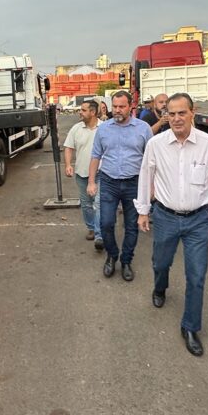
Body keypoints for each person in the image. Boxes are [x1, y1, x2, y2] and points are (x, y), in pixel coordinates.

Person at [135, 93, 208, 357]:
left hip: (198, 220)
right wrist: (143, 211)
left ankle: (190, 327)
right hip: (165, 216)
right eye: (171, 113)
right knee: (161, 263)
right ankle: (159, 286)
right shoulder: (156, 144)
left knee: (197, 276)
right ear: (166, 115)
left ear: (192, 113)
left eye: (181, 113)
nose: (176, 118)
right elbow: (146, 177)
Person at [87, 90, 153, 281]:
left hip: (134, 183)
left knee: (132, 226)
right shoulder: (104, 129)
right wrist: (91, 181)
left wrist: (152, 186)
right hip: (108, 181)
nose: (117, 110)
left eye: (121, 106)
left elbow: (151, 159)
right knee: (106, 223)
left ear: (131, 107)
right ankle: (112, 255)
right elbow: (95, 156)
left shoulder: (143, 129)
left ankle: (126, 261)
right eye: (115, 106)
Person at [64, 100, 102, 244]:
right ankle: (92, 228)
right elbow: (68, 147)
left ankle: (99, 235)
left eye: (83, 110)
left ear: (93, 112)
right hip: (81, 173)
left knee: (98, 204)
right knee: (86, 204)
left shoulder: (104, 128)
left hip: (101, 173)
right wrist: (68, 164)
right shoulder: (76, 128)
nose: (80, 112)